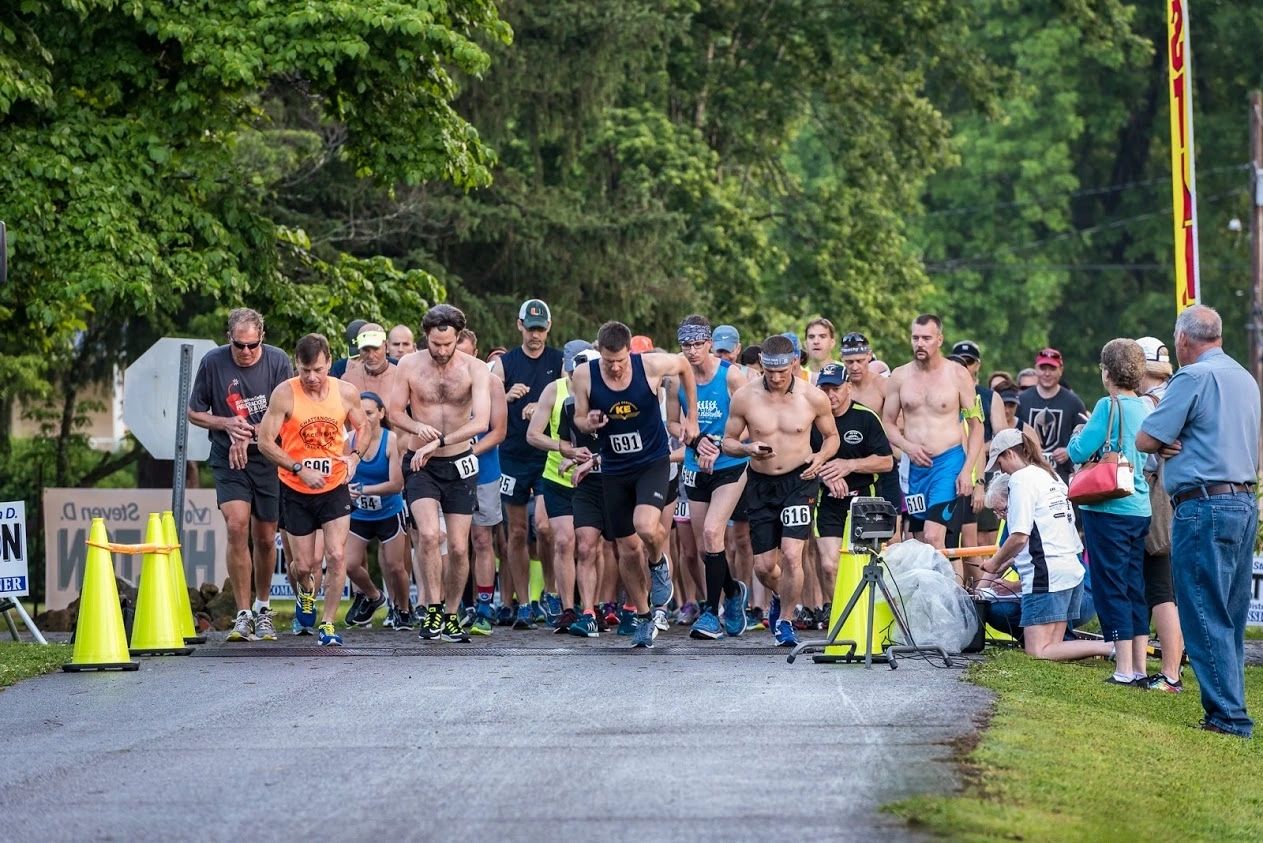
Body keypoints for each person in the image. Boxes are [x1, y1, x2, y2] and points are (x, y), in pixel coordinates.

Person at [1138, 305, 1259, 738]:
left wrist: (1168, 439)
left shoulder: (1191, 378)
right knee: (1228, 613)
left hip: (1203, 505)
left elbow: (1145, 437)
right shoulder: (1245, 378)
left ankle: (1228, 717)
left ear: (1183, 340)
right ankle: (1232, 709)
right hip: (1244, 502)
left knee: (1203, 614)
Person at [571, 320, 699, 647]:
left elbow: (684, 366)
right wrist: (591, 422)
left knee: (645, 525)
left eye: (621, 361)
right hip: (615, 467)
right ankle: (643, 615)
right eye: (609, 362)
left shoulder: (651, 365)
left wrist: (691, 417)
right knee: (626, 549)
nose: (615, 368)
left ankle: (657, 562)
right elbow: (579, 418)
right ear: (599, 354)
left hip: (651, 461)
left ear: (630, 352)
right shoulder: (585, 375)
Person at [721, 335, 839, 647]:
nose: (775, 378)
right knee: (763, 567)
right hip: (761, 484)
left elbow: (831, 438)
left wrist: (820, 457)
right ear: (762, 366)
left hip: (800, 481)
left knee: (791, 553)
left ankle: (786, 620)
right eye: (769, 372)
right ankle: (779, 596)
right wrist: (747, 448)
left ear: (794, 365)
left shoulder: (812, 397)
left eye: (782, 372)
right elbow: (727, 441)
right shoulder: (745, 397)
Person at [256, 333, 370, 647]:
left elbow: (365, 426)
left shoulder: (346, 392)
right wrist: (297, 467)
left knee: (335, 556)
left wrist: (355, 457)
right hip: (295, 488)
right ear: (297, 365)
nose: (312, 377)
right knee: (304, 565)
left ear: (329, 363)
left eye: (318, 370)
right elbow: (264, 442)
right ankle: (306, 594)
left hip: (334, 486)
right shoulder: (285, 394)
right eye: (305, 370)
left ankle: (329, 624)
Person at [187, 307, 293, 643]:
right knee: (236, 525)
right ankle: (242, 613)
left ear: (262, 337)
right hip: (227, 457)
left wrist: (251, 434)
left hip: (267, 457)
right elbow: (194, 412)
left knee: (264, 537)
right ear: (228, 339)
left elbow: (289, 413)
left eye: (251, 345)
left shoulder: (278, 361)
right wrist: (226, 424)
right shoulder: (213, 362)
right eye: (238, 345)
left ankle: (263, 607)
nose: (245, 352)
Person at [388, 304, 491, 643]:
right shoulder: (408, 365)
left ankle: (450, 614)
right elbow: (393, 413)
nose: (442, 351)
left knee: (460, 549)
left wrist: (442, 441)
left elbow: (480, 422)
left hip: (459, 462)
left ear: (458, 337)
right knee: (430, 536)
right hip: (421, 463)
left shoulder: (475, 369)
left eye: (448, 344)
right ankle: (431, 610)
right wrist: (418, 427)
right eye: (435, 344)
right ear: (426, 337)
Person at [975, 430, 1112, 662]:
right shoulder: (1051, 475)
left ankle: (1108, 647)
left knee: (1037, 652)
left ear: (1009, 453)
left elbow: (1019, 536)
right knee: (1053, 646)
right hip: (1069, 570)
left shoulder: (1020, 479)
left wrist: (992, 564)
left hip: (1046, 574)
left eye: (1000, 463)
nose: (1001, 471)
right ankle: (1109, 647)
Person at [1067, 339, 1152, 686]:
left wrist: (1077, 435)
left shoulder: (1108, 406)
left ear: (1107, 372)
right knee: (1134, 585)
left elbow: (1078, 451)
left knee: (1110, 585)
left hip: (1109, 506)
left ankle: (1123, 668)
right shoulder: (1148, 407)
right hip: (1140, 506)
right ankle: (1140, 667)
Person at [666, 316, 751, 640]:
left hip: (729, 465)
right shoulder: (676, 380)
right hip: (694, 465)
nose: (691, 351)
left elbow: (748, 419)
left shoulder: (731, 376)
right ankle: (732, 593)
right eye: (685, 345)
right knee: (706, 547)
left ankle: (709, 613)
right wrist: (693, 439)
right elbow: (673, 423)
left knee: (715, 533)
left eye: (697, 344)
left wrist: (719, 444)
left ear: (709, 344)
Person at [883, 315, 983, 567]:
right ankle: (926, 600)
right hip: (915, 467)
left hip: (948, 462)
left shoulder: (958, 374)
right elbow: (888, 423)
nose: (920, 343)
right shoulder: (899, 376)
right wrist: (908, 447)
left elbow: (976, 427)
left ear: (939, 339)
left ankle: (944, 604)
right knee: (916, 539)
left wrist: (967, 471)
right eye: (915, 337)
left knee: (932, 536)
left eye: (926, 338)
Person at [490, 299, 565, 629]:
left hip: (546, 456)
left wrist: (541, 407)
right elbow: (485, 413)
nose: (535, 335)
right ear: (519, 325)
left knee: (547, 529)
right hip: (512, 457)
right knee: (516, 533)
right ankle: (522, 602)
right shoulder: (504, 365)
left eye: (540, 329)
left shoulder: (559, 361)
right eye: (530, 328)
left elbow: (568, 400)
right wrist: (506, 399)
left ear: (548, 328)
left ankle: (550, 593)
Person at [527, 339, 596, 632]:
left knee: (590, 546)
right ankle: (568, 609)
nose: (574, 378)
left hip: (592, 479)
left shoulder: (601, 388)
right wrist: (561, 447)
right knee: (564, 542)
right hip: (557, 477)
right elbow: (533, 435)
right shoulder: (554, 389)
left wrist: (591, 458)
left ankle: (592, 610)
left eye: (578, 373)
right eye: (570, 373)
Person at [813, 363, 893, 602]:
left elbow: (887, 462)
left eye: (835, 388)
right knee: (829, 565)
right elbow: (799, 461)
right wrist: (826, 476)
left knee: (865, 564)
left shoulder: (866, 418)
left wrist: (849, 466)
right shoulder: (811, 420)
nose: (830, 395)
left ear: (848, 386)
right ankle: (841, 619)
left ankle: (867, 617)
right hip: (828, 501)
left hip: (864, 500)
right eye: (824, 388)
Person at [1133, 335, 1184, 691]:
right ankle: (1169, 667)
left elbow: (1144, 454)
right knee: (1167, 587)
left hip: (1152, 501)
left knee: (1158, 588)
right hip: (1182, 501)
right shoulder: (1178, 395)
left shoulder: (1147, 405)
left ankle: (1169, 672)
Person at [455, 330, 507, 637]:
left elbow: (498, 431)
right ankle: (456, 606)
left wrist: (466, 451)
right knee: (453, 544)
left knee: (482, 540)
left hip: (483, 470)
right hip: (447, 472)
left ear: (476, 352)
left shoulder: (490, 383)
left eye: (465, 352)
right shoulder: (440, 382)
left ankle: (485, 605)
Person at [343, 392, 410, 629]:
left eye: (370, 413)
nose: (365, 418)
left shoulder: (391, 440)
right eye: (360, 413)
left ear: (381, 413)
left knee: (395, 566)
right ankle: (374, 596)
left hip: (389, 512)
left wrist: (363, 489)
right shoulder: (349, 440)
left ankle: (403, 609)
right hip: (359, 515)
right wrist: (346, 489)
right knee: (348, 564)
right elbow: (341, 476)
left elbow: (396, 484)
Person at [1016, 349, 1085, 486]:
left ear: (1061, 370)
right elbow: (1011, 434)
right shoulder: (1022, 400)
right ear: (1036, 369)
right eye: (1043, 368)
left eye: (1052, 368)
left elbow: (1085, 436)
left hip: (1061, 479)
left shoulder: (1073, 402)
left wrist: (1069, 451)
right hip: (1027, 477)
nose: (1047, 373)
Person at [341, 323, 398, 399]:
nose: (371, 356)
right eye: (365, 350)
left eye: (376, 349)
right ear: (359, 350)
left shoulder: (400, 377)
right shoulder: (348, 379)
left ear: (386, 346)